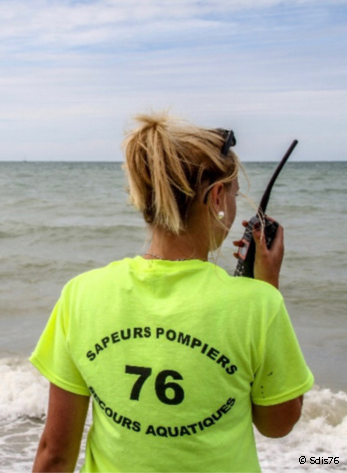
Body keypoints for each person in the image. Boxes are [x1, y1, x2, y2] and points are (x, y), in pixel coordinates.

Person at [30, 112, 314, 472]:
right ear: (216, 197)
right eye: (234, 194)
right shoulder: (258, 303)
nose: (233, 205)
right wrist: (267, 285)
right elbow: (278, 424)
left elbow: (55, 453)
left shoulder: (81, 294)